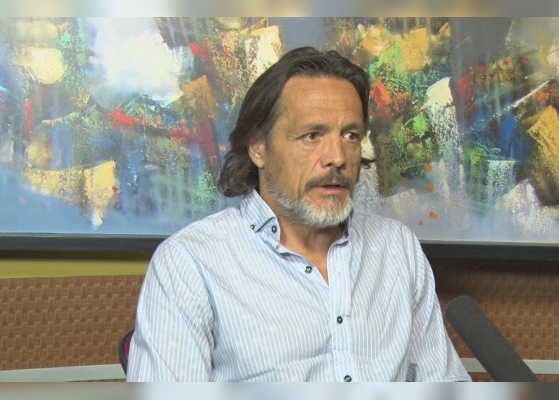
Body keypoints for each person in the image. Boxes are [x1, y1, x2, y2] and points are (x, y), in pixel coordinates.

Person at [126, 46, 470, 382]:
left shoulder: (397, 247)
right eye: (312, 136)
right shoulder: (189, 263)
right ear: (259, 147)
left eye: (350, 135)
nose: (337, 157)